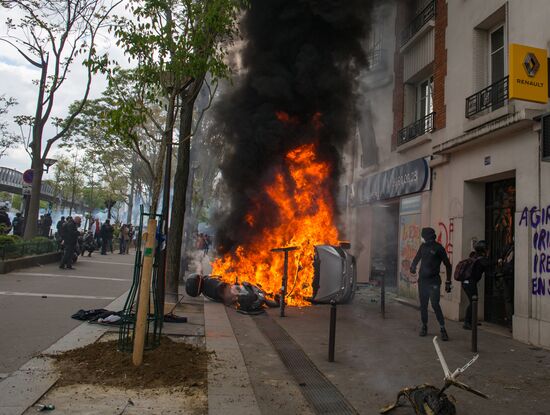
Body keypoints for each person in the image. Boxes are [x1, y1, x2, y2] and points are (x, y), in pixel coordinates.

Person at [410, 227, 453, 341]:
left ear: (427, 236)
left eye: (423, 236)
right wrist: (413, 267)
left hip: (434, 281)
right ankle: (424, 326)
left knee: (435, 304)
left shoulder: (439, 248)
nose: (422, 238)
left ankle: (443, 329)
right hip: (423, 281)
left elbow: (448, 265)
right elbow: (416, 259)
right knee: (423, 305)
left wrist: (448, 281)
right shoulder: (423, 247)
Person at [462, 240, 490, 330]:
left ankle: (471, 321)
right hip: (470, 283)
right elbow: (489, 265)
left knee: (473, 301)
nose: (488, 251)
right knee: (473, 301)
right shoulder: (482, 260)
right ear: (483, 250)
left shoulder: (474, 256)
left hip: (467, 282)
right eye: (487, 249)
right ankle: (467, 322)